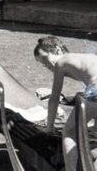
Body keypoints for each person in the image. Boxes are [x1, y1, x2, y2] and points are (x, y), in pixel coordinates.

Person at [35, 35, 97, 171]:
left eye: (45, 58)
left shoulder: (61, 63)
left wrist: (49, 128)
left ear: (57, 49)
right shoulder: (81, 58)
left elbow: (54, 98)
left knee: (69, 132)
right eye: (42, 64)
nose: (46, 65)